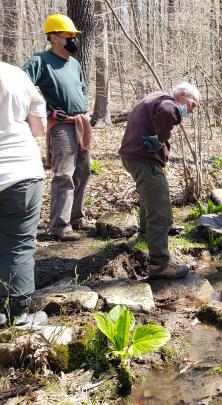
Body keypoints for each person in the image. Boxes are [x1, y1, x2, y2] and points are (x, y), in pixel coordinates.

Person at [23, 14, 94, 242]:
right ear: (54, 38)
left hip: (81, 123)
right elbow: (20, 87)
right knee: (64, 175)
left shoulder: (74, 64)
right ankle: (59, 226)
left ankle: (76, 218)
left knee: (83, 171)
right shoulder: (40, 61)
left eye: (75, 35)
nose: (74, 39)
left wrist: (84, 108)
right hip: (61, 126)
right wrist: (45, 112)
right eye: (69, 36)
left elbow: (82, 88)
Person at [119, 82, 200, 279]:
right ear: (181, 94)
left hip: (133, 155)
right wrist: (161, 138)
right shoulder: (168, 102)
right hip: (144, 158)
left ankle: (146, 234)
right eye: (192, 104)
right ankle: (159, 264)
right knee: (161, 210)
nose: (191, 110)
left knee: (149, 199)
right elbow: (166, 111)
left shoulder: (156, 96)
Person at [0, 62, 49, 327]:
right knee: (17, 245)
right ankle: (17, 314)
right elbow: (39, 127)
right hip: (19, 170)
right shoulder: (17, 75)